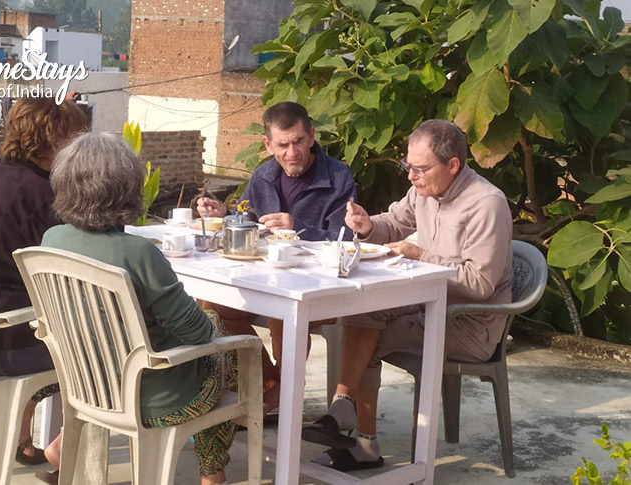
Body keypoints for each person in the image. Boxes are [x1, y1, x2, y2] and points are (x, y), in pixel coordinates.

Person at [301, 119, 514, 472]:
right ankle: (343, 407)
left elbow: (480, 284)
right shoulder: (424, 190)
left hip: (469, 323)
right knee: (362, 310)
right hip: (429, 305)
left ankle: (360, 439)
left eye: (420, 169)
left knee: (370, 333)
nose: (411, 177)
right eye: (408, 166)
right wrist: (368, 225)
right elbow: (395, 222)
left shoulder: (486, 204)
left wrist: (421, 255)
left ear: (453, 165)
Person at [42, 131, 239, 485]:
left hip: (88, 385)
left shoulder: (51, 240)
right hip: (154, 397)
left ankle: (62, 441)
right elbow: (198, 334)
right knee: (225, 341)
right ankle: (212, 472)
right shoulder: (139, 253)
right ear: (127, 189)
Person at [196, 101, 357, 414]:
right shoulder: (263, 175)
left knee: (284, 313)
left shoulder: (337, 177)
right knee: (212, 304)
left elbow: (345, 240)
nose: (292, 152)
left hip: (317, 287)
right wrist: (226, 213)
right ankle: (273, 384)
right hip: (266, 278)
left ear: (311, 136)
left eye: (298, 142)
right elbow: (247, 214)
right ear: (269, 145)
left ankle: (280, 394)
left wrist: (298, 228)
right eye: (282, 145)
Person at [0, 97, 86, 470]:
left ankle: (21, 432)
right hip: (16, 334)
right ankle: (65, 449)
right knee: (112, 340)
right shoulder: (38, 193)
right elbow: (68, 264)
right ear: (53, 139)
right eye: (72, 136)